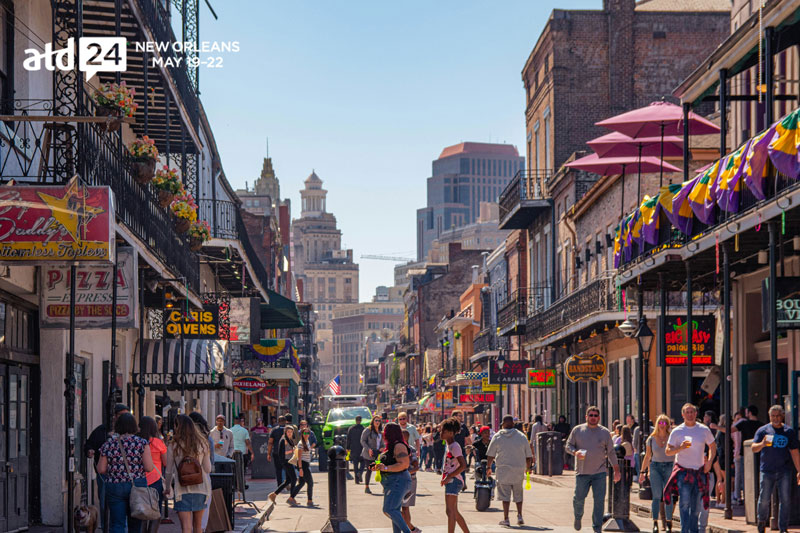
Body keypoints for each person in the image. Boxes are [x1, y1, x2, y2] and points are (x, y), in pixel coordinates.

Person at [566, 406, 621, 533]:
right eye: (591, 415)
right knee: (578, 498)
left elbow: (611, 452)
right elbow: (568, 446)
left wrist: (617, 470)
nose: (593, 417)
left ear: (599, 417)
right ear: (586, 417)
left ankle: (597, 527)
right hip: (582, 472)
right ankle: (578, 517)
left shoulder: (605, 432)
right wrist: (575, 452)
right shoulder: (577, 430)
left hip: (599, 473)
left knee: (599, 501)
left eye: (595, 415)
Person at [97, 413, 155, 533]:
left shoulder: (109, 444)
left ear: (118, 426)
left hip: (115, 485)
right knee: (135, 523)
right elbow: (149, 467)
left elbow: (101, 469)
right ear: (134, 426)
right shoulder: (142, 443)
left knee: (117, 524)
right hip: (136, 484)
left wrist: (115, 469)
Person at [664, 403, 716, 533]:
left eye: (692, 412)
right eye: (687, 412)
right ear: (683, 415)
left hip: (699, 472)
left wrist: (709, 462)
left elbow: (713, 446)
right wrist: (680, 448)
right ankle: (684, 530)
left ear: (696, 413)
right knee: (684, 504)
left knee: (696, 507)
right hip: (683, 471)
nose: (690, 414)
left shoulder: (703, 429)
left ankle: (693, 530)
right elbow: (668, 451)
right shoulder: (677, 431)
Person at [751, 405, 800, 533]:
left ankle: (783, 528)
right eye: (773, 416)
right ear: (769, 416)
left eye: (778, 415)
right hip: (767, 470)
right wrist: (762, 444)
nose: (775, 418)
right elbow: (753, 448)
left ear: (782, 416)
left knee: (785, 500)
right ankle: (761, 523)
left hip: (785, 470)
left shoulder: (788, 431)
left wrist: (799, 470)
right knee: (764, 499)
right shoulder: (763, 430)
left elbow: (794, 452)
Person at [164, 414, 212, 533]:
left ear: (177, 427)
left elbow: (168, 471)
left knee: (186, 527)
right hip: (201, 488)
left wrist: (168, 487)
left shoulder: (173, 445)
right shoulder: (202, 444)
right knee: (198, 526)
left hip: (181, 490)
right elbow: (208, 469)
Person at [86, 403, 130, 526]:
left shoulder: (129, 433)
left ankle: (118, 525)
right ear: (114, 416)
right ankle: (107, 526)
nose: (123, 418)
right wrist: (89, 451)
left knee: (124, 505)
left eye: (126, 415)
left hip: (124, 475)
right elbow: (89, 444)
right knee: (105, 502)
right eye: (121, 415)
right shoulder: (101, 431)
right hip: (105, 475)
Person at [487, 415, 533, 527]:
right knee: (518, 494)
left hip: (503, 471)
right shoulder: (522, 436)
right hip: (518, 470)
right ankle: (520, 515)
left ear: (503, 424)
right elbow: (528, 455)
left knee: (505, 496)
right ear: (513, 424)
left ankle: (506, 519)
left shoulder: (497, 436)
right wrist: (528, 468)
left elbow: (490, 455)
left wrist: (488, 467)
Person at [371, 422, 412, 533]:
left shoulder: (399, 446)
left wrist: (385, 468)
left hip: (398, 481)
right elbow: (387, 462)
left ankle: (408, 531)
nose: (383, 433)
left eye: (385, 430)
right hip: (393, 483)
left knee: (389, 509)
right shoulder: (391, 447)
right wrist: (376, 466)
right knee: (395, 511)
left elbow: (404, 464)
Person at [640, 414, 675, 533]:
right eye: (660, 422)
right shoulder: (651, 438)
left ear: (667, 425)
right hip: (655, 467)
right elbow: (647, 456)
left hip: (669, 466)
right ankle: (655, 523)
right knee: (656, 496)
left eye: (664, 423)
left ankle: (669, 523)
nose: (662, 425)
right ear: (657, 424)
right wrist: (642, 471)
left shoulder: (671, 437)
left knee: (668, 496)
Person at [440, 417, 469, 533]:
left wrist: (449, 476)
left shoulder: (455, 446)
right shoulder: (449, 445)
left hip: (454, 480)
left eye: (444, 431)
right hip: (451, 480)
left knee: (450, 511)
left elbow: (463, 465)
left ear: (451, 433)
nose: (441, 433)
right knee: (453, 511)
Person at [139, 416, 167, 533]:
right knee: (156, 512)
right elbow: (166, 462)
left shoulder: (137, 441)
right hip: (155, 480)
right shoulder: (158, 442)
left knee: (141, 511)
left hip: (140, 480)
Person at [268, 425, 299, 506]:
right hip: (286, 461)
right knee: (294, 479)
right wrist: (292, 450)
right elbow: (282, 453)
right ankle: (291, 498)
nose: (290, 433)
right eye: (288, 432)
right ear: (285, 432)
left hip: (289, 461)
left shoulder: (289, 439)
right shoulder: (284, 440)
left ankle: (274, 495)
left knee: (288, 480)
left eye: (291, 432)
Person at [401, 429, 421, 533]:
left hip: (410, 480)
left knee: (405, 507)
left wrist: (407, 473)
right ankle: (410, 528)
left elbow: (416, 466)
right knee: (396, 508)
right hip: (399, 481)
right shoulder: (397, 449)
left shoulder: (411, 449)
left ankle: (409, 529)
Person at [290, 424, 315, 507]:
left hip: (306, 464)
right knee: (310, 483)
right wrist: (300, 469)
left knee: (301, 483)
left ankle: (291, 498)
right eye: (305, 433)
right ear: (302, 434)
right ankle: (310, 500)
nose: (307, 435)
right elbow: (299, 458)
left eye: (308, 433)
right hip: (303, 465)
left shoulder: (307, 442)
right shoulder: (301, 443)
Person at [361, 415, 383, 494]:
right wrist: (369, 449)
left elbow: (383, 442)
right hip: (369, 454)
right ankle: (367, 487)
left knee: (381, 469)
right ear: (373, 422)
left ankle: (384, 486)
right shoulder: (368, 430)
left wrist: (382, 448)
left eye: (379, 421)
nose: (377, 422)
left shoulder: (381, 431)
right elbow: (363, 441)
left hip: (378, 454)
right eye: (376, 420)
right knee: (369, 469)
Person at [267, 416, 288, 486]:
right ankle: (287, 482)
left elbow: (270, 442)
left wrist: (268, 454)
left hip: (277, 452)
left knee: (278, 469)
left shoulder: (274, 430)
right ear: (286, 421)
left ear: (278, 422)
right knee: (287, 469)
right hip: (287, 453)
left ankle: (280, 484)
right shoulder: (289, 430)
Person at [347, 416, 365, 483]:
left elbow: (348, 439)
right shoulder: (363, 429)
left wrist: (347, 448)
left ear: (355, 420)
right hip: (361, 448)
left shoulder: (351, 429)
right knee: (363, 462)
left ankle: (356, 480)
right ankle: (360, 472)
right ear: (361, 420)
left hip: (353, 448)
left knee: (355, 464)